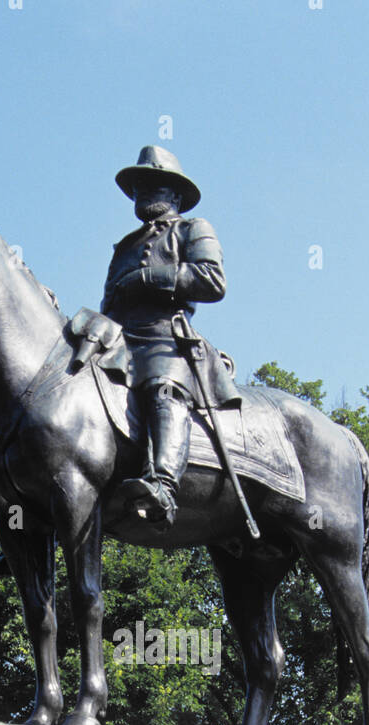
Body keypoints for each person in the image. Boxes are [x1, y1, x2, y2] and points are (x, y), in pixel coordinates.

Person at [103, 146, 235, 526]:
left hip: (166, 340)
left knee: (164, 384)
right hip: (121, 342)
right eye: (139, 187)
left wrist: (149, 278)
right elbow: (110, 303)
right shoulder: (124, 248)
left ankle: (162, 484)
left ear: (175, 195)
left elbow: (212, 280)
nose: (143, 193)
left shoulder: (194, 229)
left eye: (153, 186)